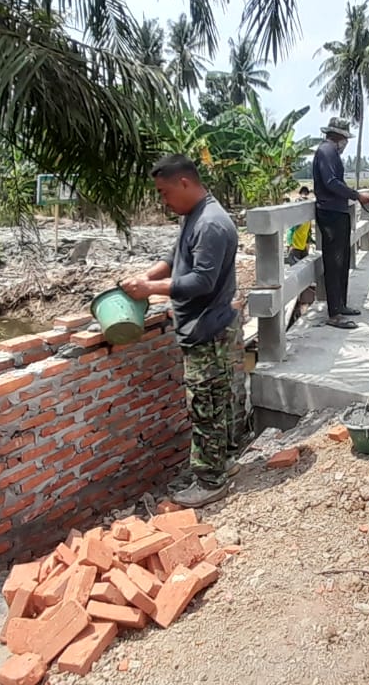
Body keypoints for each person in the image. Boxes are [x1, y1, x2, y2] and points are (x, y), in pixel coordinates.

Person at [122, 154, 246, 508]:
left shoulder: (211, 224)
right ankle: (224, 462)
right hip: (206, 327)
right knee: (219, 401)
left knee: (206, 406)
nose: (163, 200)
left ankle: (210, 481)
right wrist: (148, 276)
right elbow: (175, 256)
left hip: (209, 331)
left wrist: (150, 289)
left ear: (185, 183)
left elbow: (202, 281)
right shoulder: (195, 215)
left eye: (164, 192)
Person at [311, 117, 369, 329]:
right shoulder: (327, 151)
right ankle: (334, 313)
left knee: (343, 260)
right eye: (345, 139)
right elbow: (331, 183)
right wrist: (356, 195)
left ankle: (341, 304)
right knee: (334, 262)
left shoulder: (331, 152)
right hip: (330, 213)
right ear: (338, 136)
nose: (345, 143)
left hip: (339, 211)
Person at [286, 186, 314, 265]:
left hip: (302, 246)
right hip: (296, 246)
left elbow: (308, 232)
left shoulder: (307, 218)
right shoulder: (302, 217)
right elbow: (291, 230)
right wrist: (289, 244)